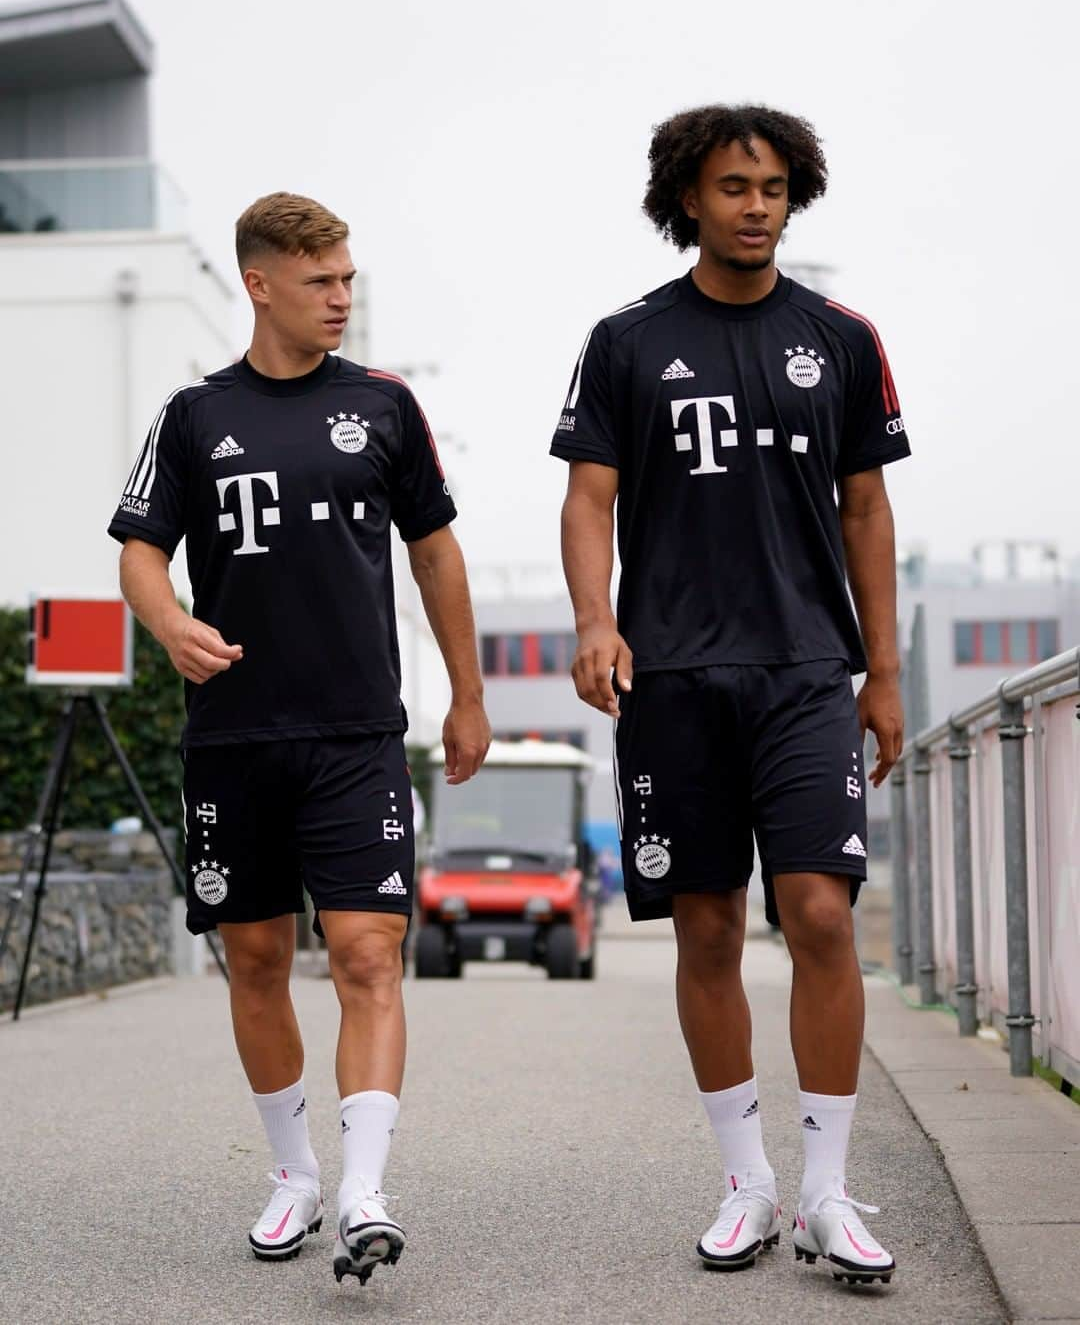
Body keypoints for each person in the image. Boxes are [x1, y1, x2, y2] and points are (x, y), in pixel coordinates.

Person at [550, 105, 908, 1286]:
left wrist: (884, 672)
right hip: (673, 679)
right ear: (687, 200)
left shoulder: (842, 339)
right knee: (705, 929)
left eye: (771, 186)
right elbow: (589, 497)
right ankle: (746, 1182)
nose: (755, 204)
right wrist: (596, 620)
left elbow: (867, 507)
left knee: (817, 914)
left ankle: (825, 1189)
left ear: (792, 195)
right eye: (731, 186)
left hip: (809, 672)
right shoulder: (627, 341)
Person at [108, 191, 490, 1286]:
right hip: (234, 737)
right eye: (321, 281)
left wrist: (467, 694)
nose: (342, 298)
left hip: (357, 733)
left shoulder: (383, 407)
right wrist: (170, 620)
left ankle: (367, 1190)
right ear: (261, 283)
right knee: (259, 957)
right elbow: (140, 549)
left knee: (369, 953)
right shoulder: (193, 417)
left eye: (348, 279)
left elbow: (435, 554)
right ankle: (294, 1174)